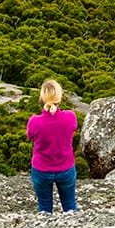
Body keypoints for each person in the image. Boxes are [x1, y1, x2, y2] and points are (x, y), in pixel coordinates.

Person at [26, 78, 78, 213]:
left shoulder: (34, 122)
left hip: (41, 170)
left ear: (41, 98)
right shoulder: (70, 117)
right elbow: (73, 129)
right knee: (70, 206)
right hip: (66, 168)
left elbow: (29, 137)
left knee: (44, 207)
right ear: (59, 97)